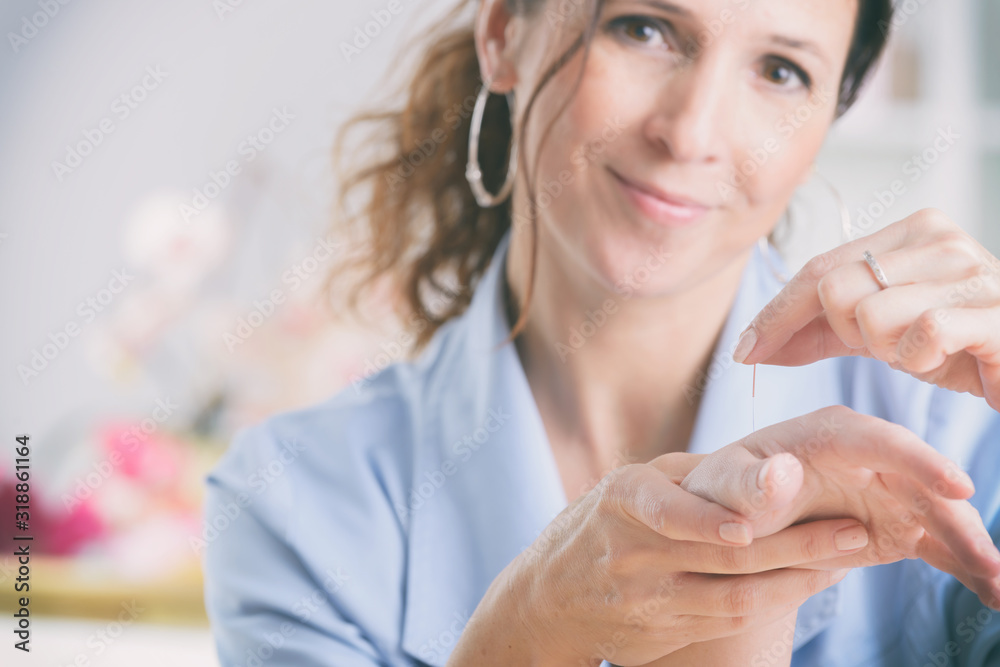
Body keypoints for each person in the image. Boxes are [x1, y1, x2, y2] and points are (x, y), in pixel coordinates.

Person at [201, 0, 1000, 665]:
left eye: (781, 70)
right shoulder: (292, 503)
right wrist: (524, 636)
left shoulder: (959, 426)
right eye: (644, 28)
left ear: (829, 119)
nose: (691, 133)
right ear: (503, 32)